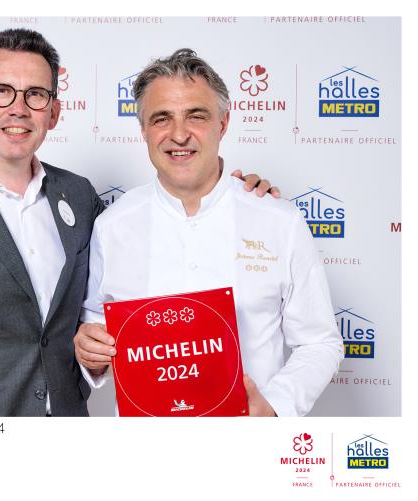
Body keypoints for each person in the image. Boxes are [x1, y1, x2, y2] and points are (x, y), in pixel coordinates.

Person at [0, 29, 275, 417]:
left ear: (54, 112)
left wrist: (230, 195)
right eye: (1, 92)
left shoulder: (80, 197)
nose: (19, 108)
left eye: (35, 94)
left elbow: (153, 233)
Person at [75, 49, 344, 417]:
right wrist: (90, 353)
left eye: (196, 116)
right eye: (161, 118)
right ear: (143, 130)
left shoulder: (280, 220)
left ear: (224, 123)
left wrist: (276, 406)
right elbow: (96, 329)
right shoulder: (111, 226)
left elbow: (320, 341)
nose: (179, 134)